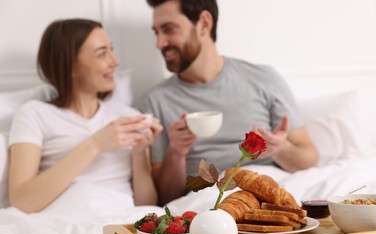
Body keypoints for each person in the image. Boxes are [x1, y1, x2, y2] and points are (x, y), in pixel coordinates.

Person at [139, 0, 319, 206]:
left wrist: (280, 149)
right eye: (156, 33)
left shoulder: (263, 78)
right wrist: (176, 153)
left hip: (269, 193)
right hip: (205, 203)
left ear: (204, 23)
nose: (159, 43)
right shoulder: (155, 101)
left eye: (168, 30)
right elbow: (165, 198)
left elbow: (310, 160)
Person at [7, 18, 163, 213]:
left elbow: (146, 206)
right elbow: (22, 201)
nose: (115, 62)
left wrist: (140, 153)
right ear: (70, 65)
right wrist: (95, 144)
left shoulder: (128, 117)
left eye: (111, 50)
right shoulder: (34, 114)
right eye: (102, 54)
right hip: (61, 224)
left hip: (119, 224)